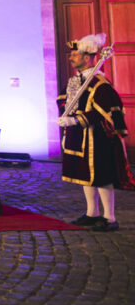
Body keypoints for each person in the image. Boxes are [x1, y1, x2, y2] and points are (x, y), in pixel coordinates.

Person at [58, 34, 135, 232]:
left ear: (87, 58)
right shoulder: (76, 81)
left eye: (75, 55)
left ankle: (109, 218)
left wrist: (77, 119)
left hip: (97, 138)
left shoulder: (99, 82)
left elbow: (107, 110)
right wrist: (66, 112)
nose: (71, 57)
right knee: (86, 176)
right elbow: (64, 99)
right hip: (79, 136)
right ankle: (91, 213)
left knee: (101, 176)